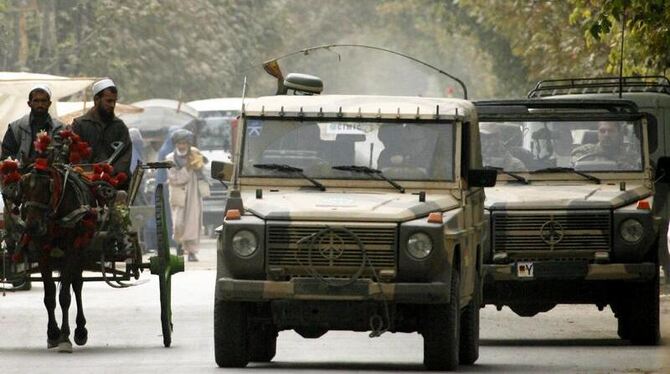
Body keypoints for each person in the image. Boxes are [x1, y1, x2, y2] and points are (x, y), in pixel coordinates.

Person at [72, 78, 132, 190]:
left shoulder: (119, 127)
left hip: (113, 185)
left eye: (114, 101)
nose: (112, 105)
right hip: (84, 184)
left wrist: (109, 174)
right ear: (96, 99)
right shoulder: (80, 125)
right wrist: (88, 175)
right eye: (108, 101)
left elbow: (125, 158)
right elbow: (75, 155)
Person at [166, 129, 207, 261]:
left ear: (188, 144)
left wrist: (198, 164)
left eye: (184, 143)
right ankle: (179, 244)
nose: (182, 146)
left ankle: (191, 252)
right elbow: (174, 178)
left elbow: (203, 168)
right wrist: (187, 168)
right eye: (179, 143)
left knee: (193, 223)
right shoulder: (170, 159)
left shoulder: (195, 153)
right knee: (178, 223)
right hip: (178, 193)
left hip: (193, 193)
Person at [1, 84, 65, 162]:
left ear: (49, 103)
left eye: (43, 101)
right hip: (23, 172)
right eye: (36, 101)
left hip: (53, 173)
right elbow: (6, 156)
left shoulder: (61, 128)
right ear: (29, 103)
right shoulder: (16, 128)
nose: (40, 105)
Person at [571, 121, 640, 169]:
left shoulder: (629, 155)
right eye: (602, 131)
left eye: (611, 131)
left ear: (619, 134)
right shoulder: (583, 152)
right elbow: (573, 170)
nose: (606, 135)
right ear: (598, 134)